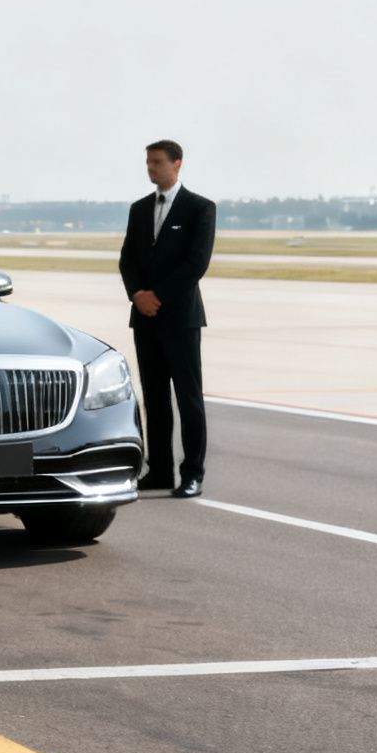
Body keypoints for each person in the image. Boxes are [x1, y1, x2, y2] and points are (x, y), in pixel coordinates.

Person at [118, 139, 215, 498]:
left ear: (177, 164)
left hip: (180, 318)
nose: (151, 168)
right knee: (154, 398)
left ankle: (192, 473)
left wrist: (157, 296)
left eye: (157, 162)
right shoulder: (139, 209)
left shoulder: (200, 208)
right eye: (148, 162)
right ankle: (159, 470)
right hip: (145, 319)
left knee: (188, 398)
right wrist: (137, 295)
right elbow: (127, 258)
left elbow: (196, 263)